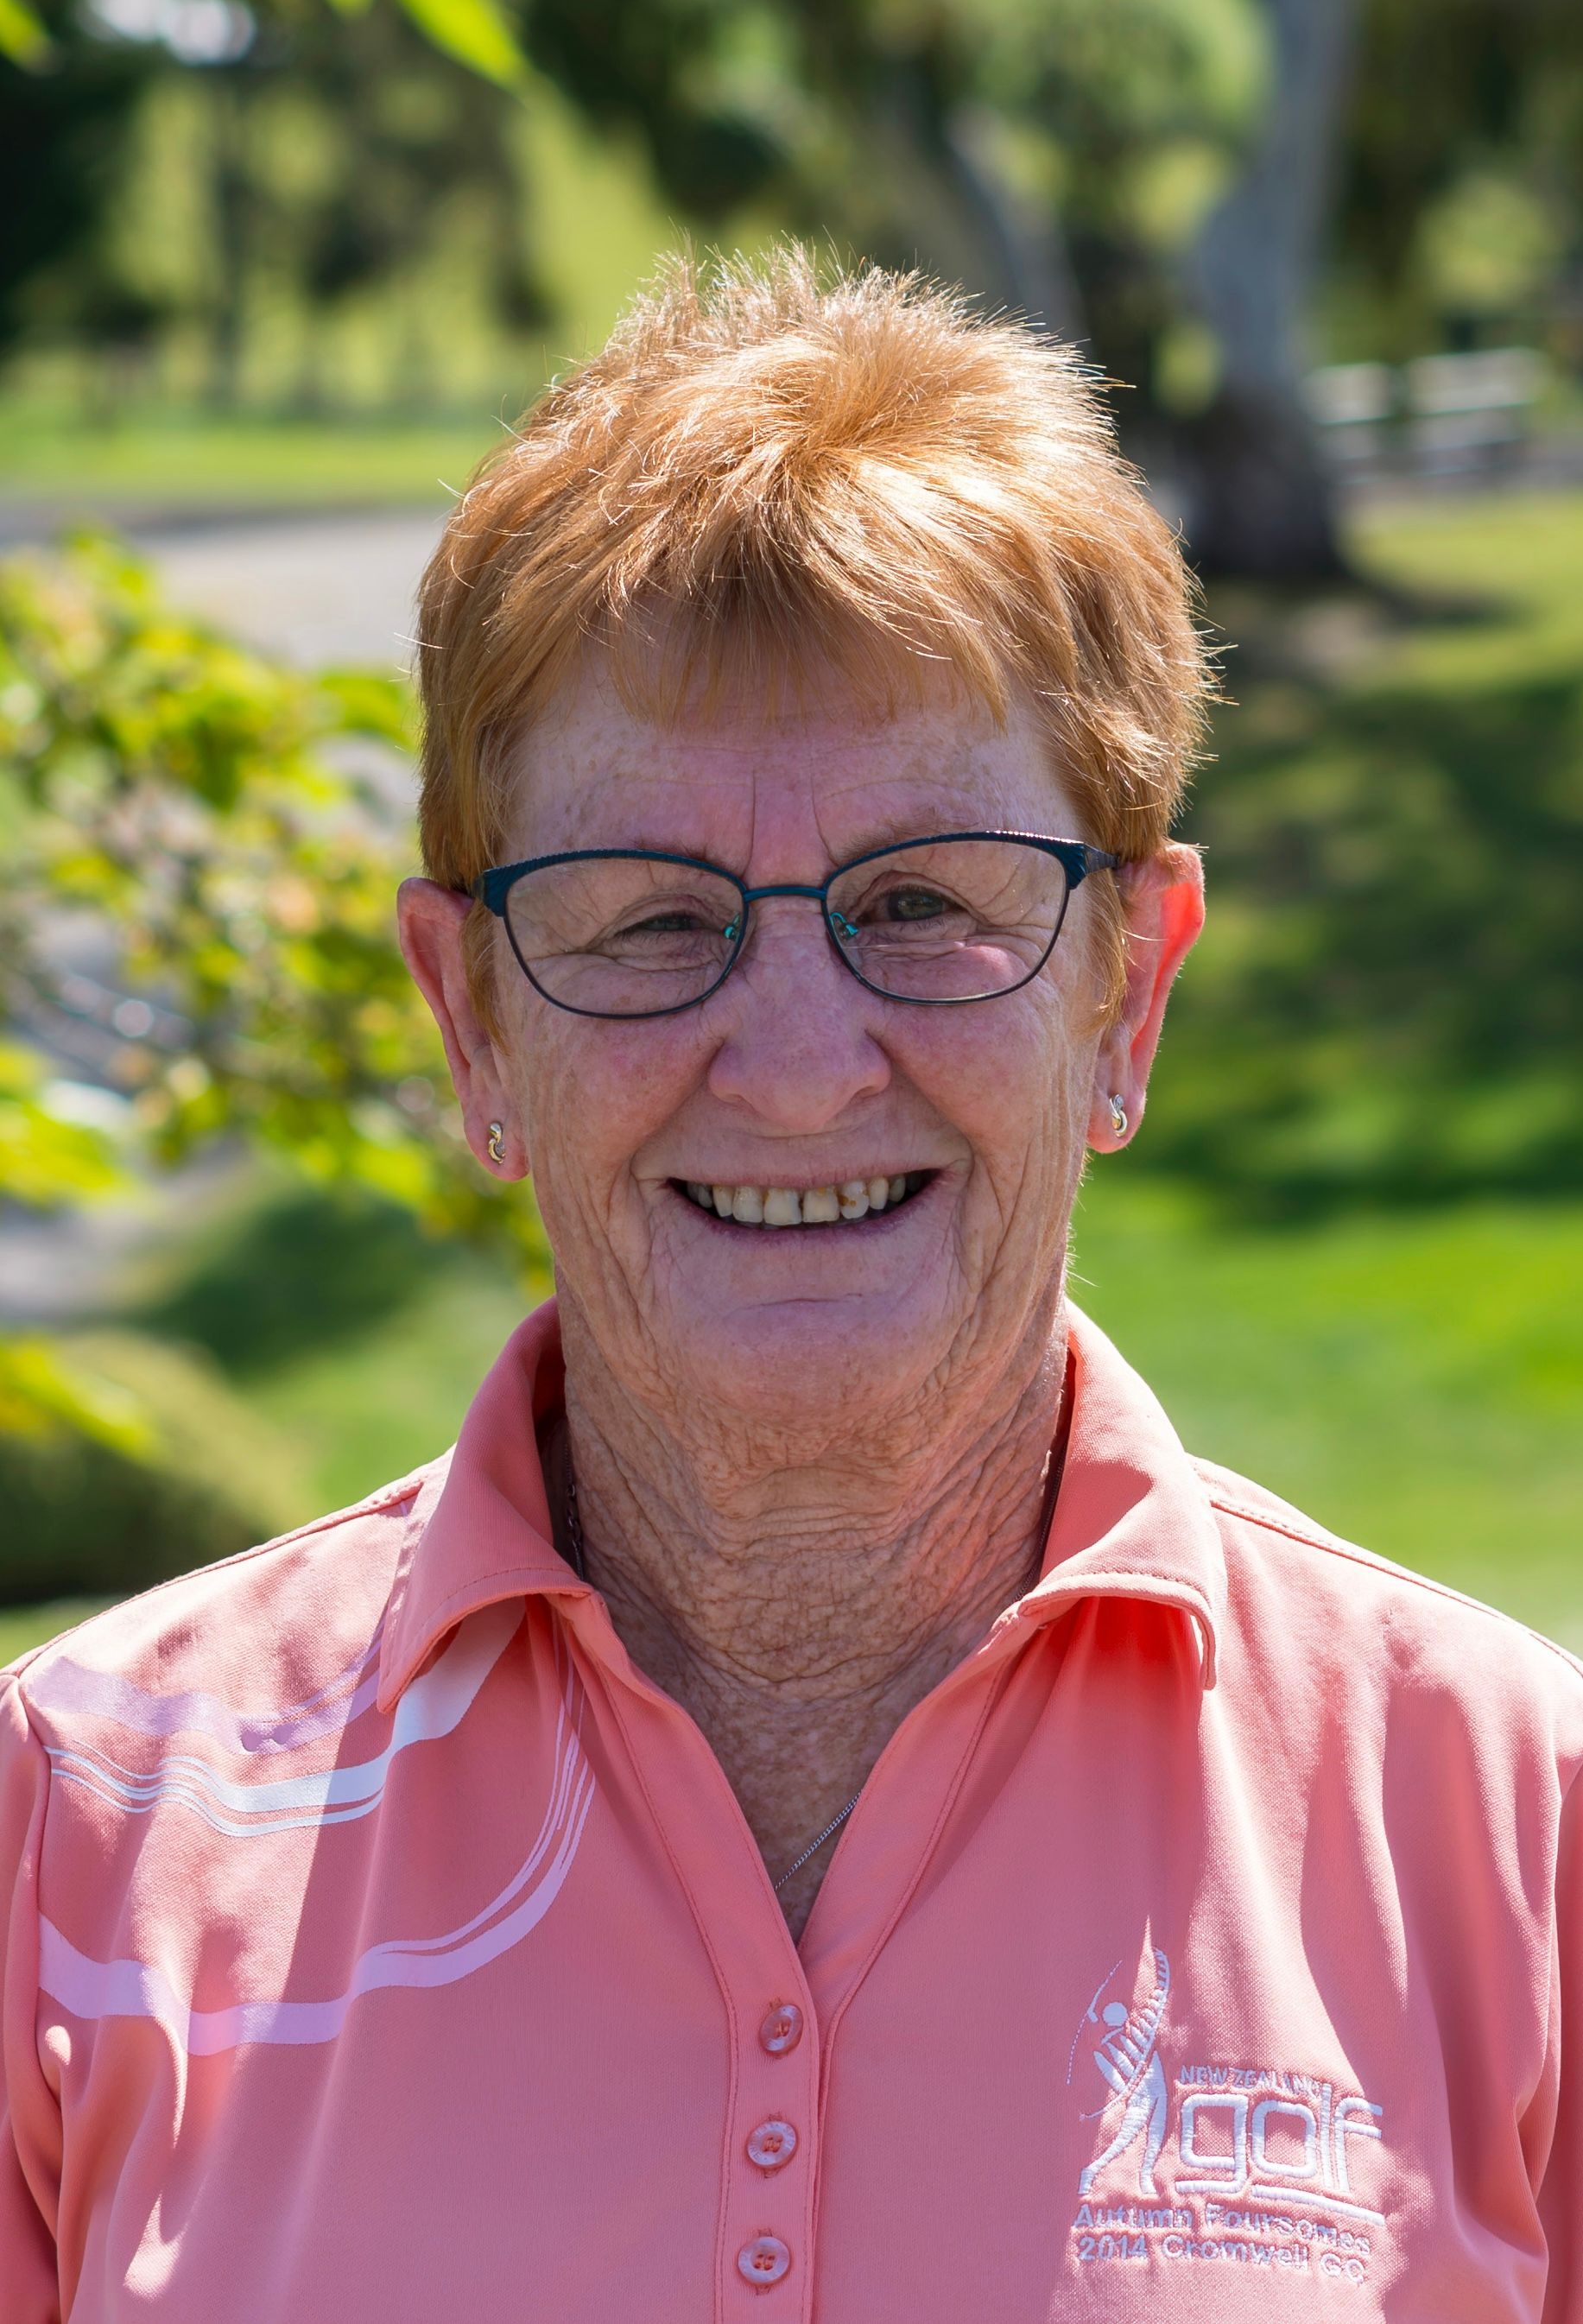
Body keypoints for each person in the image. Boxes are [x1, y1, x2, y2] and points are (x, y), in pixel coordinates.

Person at [2, 253, 1578, 2323]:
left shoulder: (1509, 1835)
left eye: (919, 902)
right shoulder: (77, 1833)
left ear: (1129, 989)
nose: (799, 1052)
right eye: (647, 918)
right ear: (471, 1021)